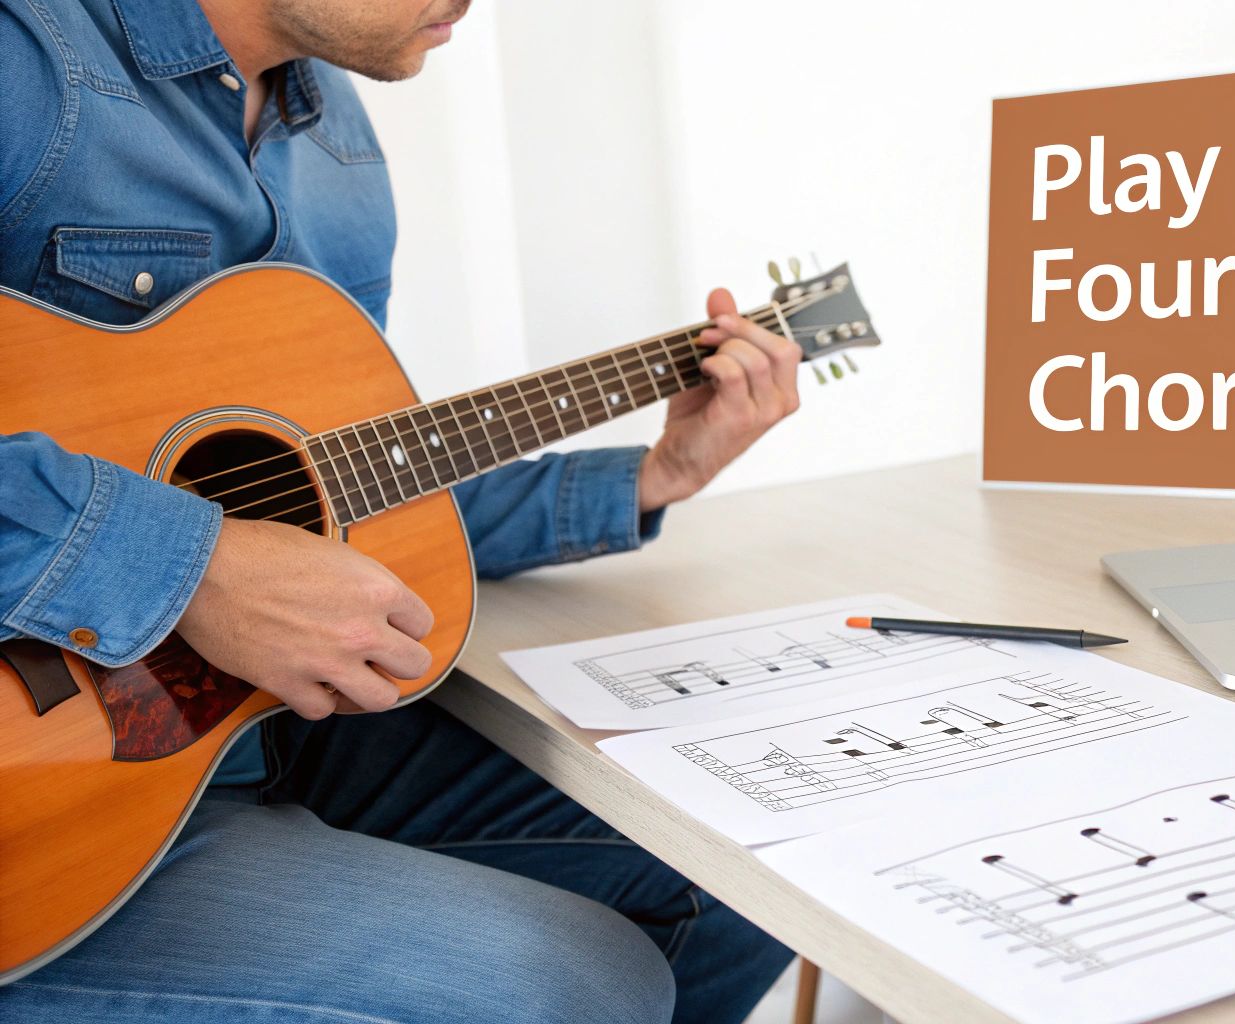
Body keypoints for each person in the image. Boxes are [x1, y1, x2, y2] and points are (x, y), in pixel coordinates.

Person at [0, 0, 801, 1020]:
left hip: (265, 728)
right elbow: (228, 554)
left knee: (759, 851)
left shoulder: (336, 140)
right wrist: (190, 569)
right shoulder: (26, 61)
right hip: (51, 805)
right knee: (574, 984)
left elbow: (346, 486)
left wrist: (653, 475)